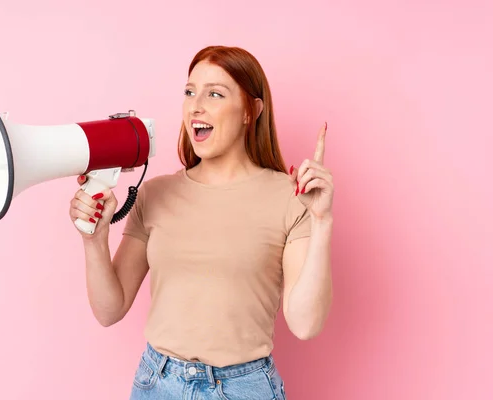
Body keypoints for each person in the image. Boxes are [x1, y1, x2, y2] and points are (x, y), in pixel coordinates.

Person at [68, 45, 334, 400]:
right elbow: (109, 310)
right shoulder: (154, 194)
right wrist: (94, 240)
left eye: (215, 94)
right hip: (157, 384)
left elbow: (305, 324)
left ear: (250, 111)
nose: (196, 105)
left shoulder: (289, 197)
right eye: (190, 92)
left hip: (244, 388)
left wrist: (322, 222)